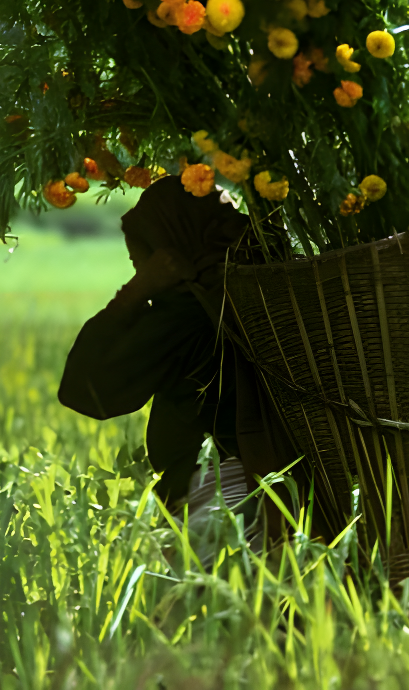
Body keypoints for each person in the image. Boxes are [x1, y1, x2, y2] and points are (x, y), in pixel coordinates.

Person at [57, 175, 296, 513]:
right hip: (280, 489)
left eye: (144, 252)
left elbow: (84, 390)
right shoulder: (261, 293)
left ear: (171, 245)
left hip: (217, 495)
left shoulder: (189, 315)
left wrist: (136, 292)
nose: (137, 264)